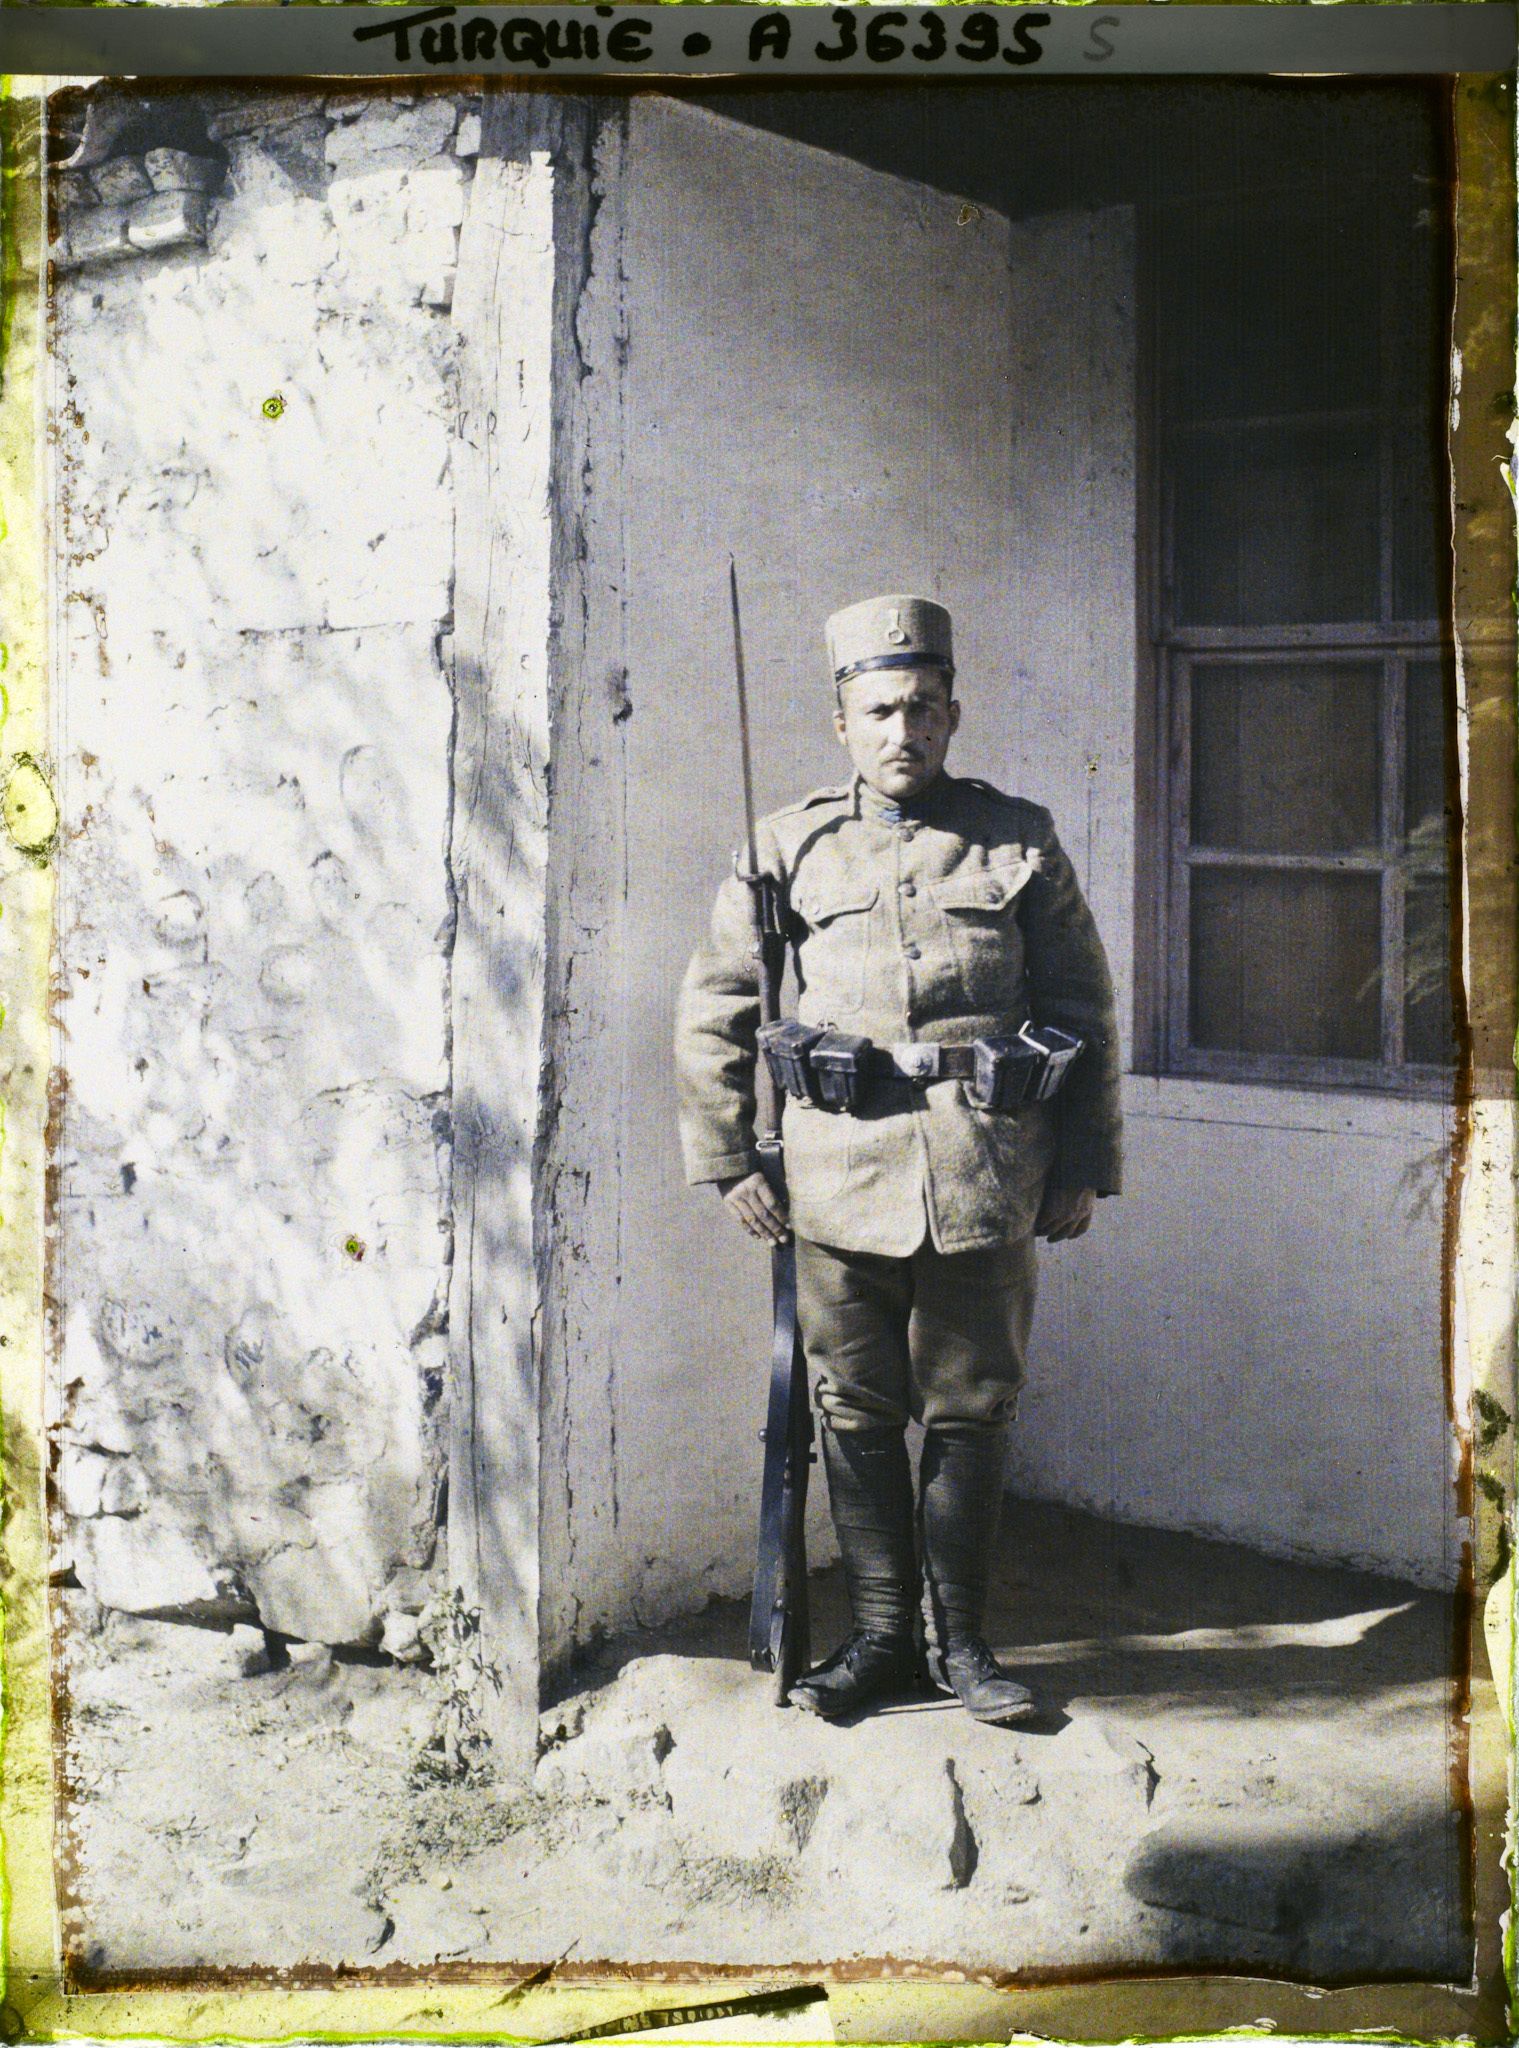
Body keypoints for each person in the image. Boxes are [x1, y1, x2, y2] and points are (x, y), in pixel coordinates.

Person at [674, 595, 1122, 1726]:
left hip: (987, 1168)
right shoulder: (783, 846)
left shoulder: (1017, 838)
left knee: (973, 1406)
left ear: (952, 712)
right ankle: (880, 1640)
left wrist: (1081, 1164)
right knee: (855, 1407)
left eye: (922, 706)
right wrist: (731, 1156)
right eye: (878, 708)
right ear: (841, 721)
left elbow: (1083, 1003)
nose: (901, 729)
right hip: (834, 1174)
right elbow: (717, 1005)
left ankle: (962, 1646)